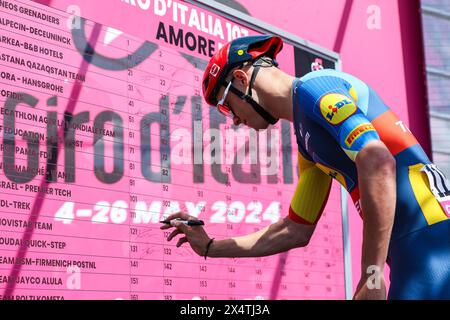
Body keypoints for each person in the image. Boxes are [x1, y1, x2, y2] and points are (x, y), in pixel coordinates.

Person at [160, 35, 450, 300]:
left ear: (240, 79)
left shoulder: (315, 87)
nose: (233, 119)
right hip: (418, 252)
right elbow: (295, 229)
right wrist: (210, 247)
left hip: (432, 246)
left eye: (225, 105)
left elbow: (377, 160)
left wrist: (371, 277)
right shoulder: (307, 145)